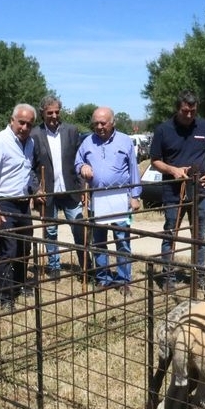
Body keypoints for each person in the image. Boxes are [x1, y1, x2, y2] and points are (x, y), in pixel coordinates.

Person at [149, 90, 205, 291]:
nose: (189, 115)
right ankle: (168, 277)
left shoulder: (204, 126)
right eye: (185, 111)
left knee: (199, 236)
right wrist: (173, 170)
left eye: (193, 111)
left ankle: (199, 275)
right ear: (177, 109)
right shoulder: (163, 130)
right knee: (171, 234)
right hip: (173, 192)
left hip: (199, 191)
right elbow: (155, 160)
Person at [75, 107, 141, 296]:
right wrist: (82, 167)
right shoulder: (87, 142)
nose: (99, 127)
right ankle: (103, 278)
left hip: (120, 198)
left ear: (112, 123)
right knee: (98, 241)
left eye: (103, 123)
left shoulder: (125, 141)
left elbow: (133, 169)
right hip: (97, 198)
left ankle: (123, 280)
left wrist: (135, 195)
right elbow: (77, 162)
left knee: (122, 240)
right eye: (96, 123)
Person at [0, 103, 37, 312]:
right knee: (8, 249)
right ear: (12, 120)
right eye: (21, 122)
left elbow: (28, 172)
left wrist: (34, 191)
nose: (24, 127)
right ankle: (4, 295)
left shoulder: (30, 143)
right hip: (2, 202)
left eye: (29, 124)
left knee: (25, 246)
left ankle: (18, 284)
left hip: (22, 203)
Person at [30, 95, 90, 280]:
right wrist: (36, 189)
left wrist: (82, 187)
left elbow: (80, 160)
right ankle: (54, 266)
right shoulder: (34, 134)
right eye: (50, 113)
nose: (54, 116)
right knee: (50, 231)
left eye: (57, 112)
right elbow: (29, 166)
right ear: (42, 113)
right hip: (47, 192)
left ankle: (86, 266)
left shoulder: (71, 131)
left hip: (71, 190)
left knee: (79, 228)